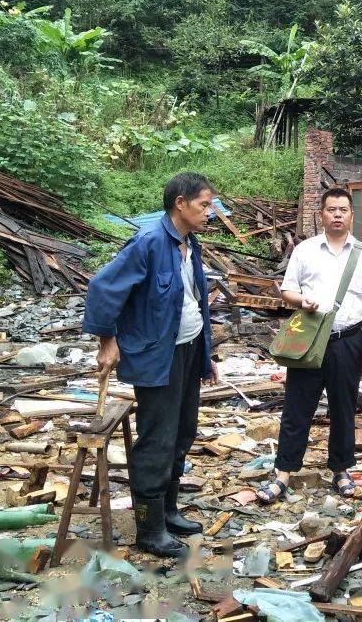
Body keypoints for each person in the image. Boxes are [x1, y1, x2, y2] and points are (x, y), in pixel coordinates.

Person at [82, 173, 219, 557]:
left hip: (188, 351)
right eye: (204, 205)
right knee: (157, 440)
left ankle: (170, 511)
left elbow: (194, 302)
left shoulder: (190, 244)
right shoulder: (148, 243)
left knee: (183, 433)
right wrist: (107, 340)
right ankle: (149, 529)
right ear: (180, 204)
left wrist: (204, 358)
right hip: (158, 358)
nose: (210, 212)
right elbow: (102, 288)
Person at [257, 187, 362, 503]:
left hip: (347, 340)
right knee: (296, 408)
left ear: (352, 215)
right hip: (309, 340)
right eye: (331, 209)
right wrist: (303, 299)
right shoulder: (305, 250)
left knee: (344, 408)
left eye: (343, 209)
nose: (338, 215)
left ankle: (341, 470)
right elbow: (287, 291)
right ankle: (283, 474)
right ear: (322, 214)